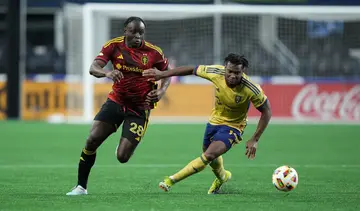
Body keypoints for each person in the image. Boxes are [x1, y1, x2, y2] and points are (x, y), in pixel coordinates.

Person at [66, 16, 171, 196]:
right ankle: (81, 187)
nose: (138, 36)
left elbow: (168, 73)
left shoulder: (154, 52)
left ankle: (125, 145)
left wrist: (161, 92)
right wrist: (107, 72)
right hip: (116, 101)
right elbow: (93, 68)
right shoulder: (113, 46)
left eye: (141, 33)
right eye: (134, 32)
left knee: (123, 157)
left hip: (140, 108)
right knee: (92, 140)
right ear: (125, 31)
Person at [142, 53, 272, 194]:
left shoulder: (251, 89)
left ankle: (171, 180)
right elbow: (191, 69)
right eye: (230, 71)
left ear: (243, 72)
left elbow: (267, 111)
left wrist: (255, 139)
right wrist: (162, 74)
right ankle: (223, 176)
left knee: (208, 156)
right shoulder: (216, 72)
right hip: (214, 121)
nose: (233, 76)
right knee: (209, 155)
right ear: (225, 69)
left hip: (234, 127)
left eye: (237, 73)